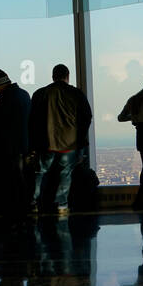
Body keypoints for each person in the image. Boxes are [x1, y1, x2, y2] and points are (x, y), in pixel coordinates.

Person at [28, 64, 92, 217]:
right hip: (69, 143)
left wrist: (34, 144)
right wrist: (80, 141)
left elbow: (32, 121)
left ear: (53, 76)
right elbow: (86, 118)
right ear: (67, 76)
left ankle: (33, 202)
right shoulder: (76, 93)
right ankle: (62, 205)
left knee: (40, 172)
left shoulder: (40, 93)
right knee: (65, 173)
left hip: (46, 143)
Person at [0, 69, 32, 220]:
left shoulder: (5, 99)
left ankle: (13, 215)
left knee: (11, 184)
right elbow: (14, 118)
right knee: (20, 182)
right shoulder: (23, 94)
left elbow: (0, 126)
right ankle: (22, 213)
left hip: (9, 148)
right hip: (22, 145)